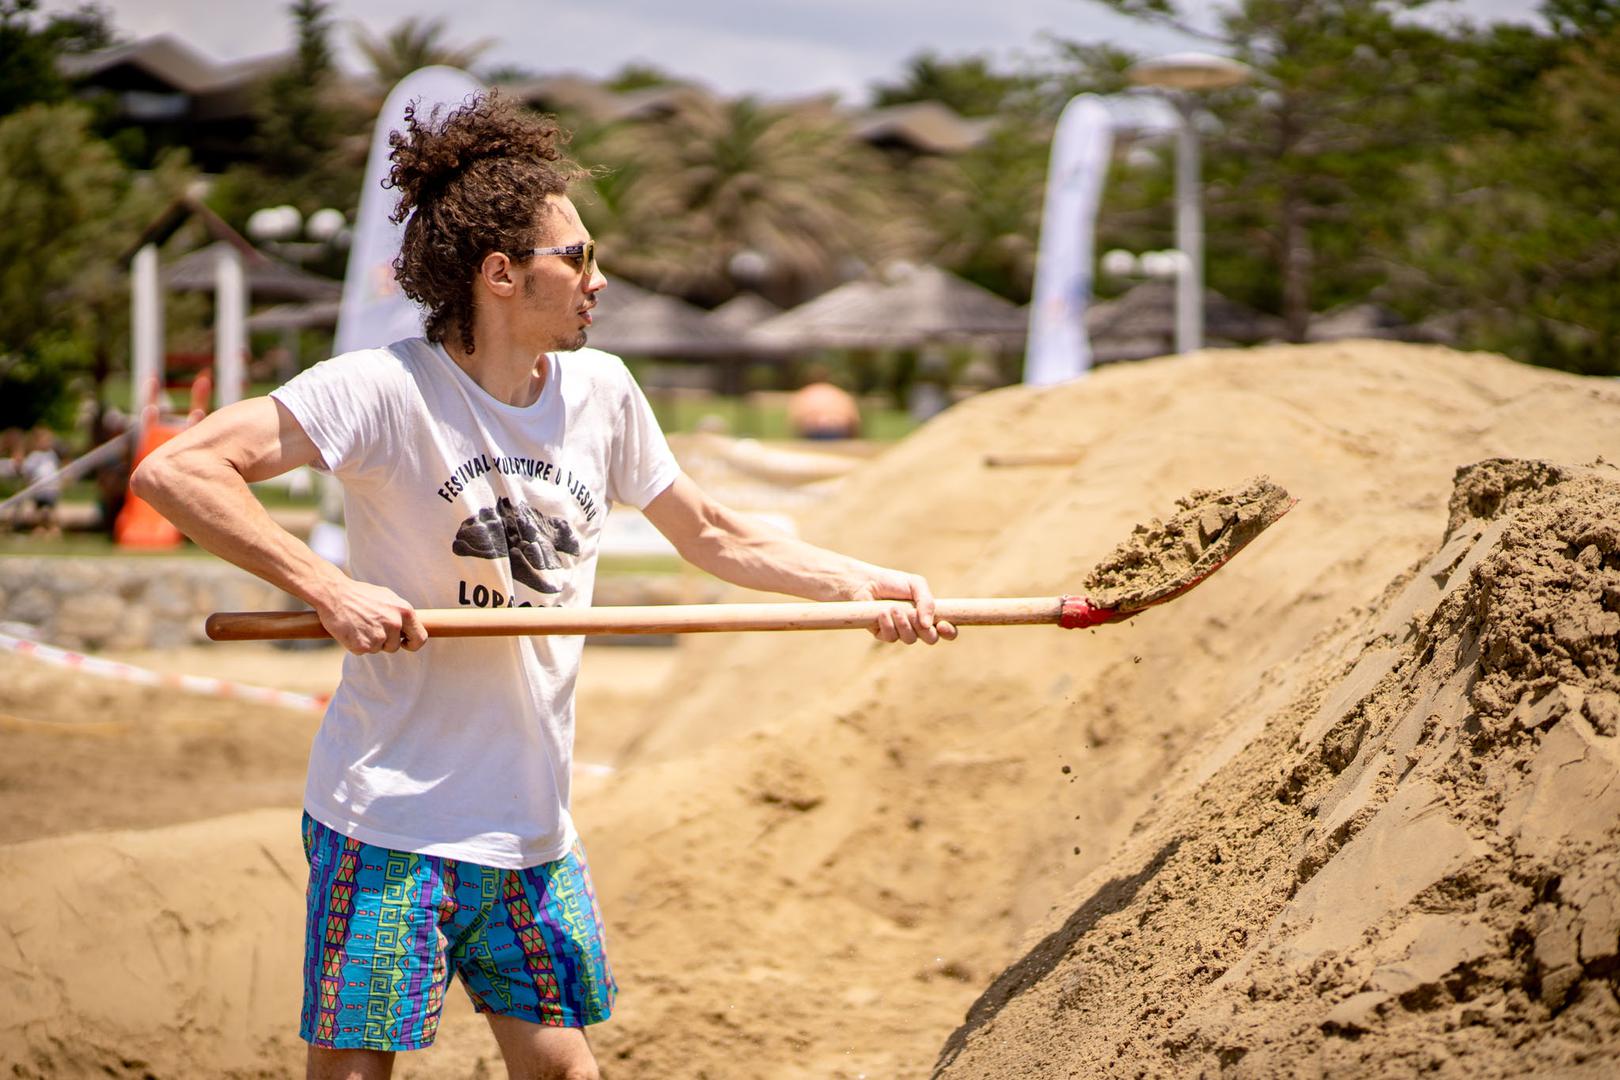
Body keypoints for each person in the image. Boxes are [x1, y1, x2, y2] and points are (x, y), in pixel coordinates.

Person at [131, 92, 955, 1080]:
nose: (599, 279)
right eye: (581, 258)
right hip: (393, 819)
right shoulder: (386, 391)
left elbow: (716, 533)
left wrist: (869, 589)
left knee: (567, 1071)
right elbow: (177, 471)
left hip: (529, 827)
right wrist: (329, 588)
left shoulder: (602, 393)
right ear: (502, 275)